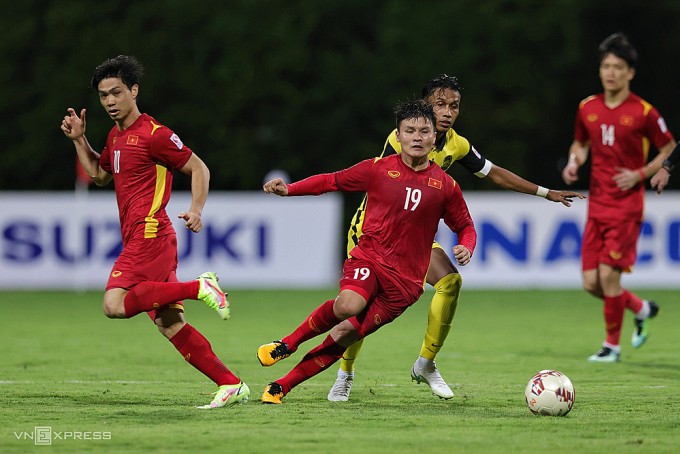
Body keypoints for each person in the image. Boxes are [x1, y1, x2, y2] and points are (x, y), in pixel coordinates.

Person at [327, 75, 585, 402]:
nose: (448, 111)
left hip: (413, 239)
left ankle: (426, 362)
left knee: (450, 281)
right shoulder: (403, 138)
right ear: (424, 108)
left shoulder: (456, 144)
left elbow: (493, 172)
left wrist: (545, 192)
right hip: (373, 234)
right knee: (361, 308)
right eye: (440, 104)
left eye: (454, 106)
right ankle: (345, 373)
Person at [256, 99, 477, 404]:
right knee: (348, 305)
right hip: (370, 259)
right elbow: (331, 181)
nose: (416, 137)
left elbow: (466, 225)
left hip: (405, 285)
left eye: (423, 131)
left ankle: (282, 386)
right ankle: (287, 344)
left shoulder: (446, 185)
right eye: (409, 131)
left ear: (433, 138)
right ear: (397, 137)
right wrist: (290, 190)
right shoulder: (377, 169)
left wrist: (466, 246)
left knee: (347, 333)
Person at [60, 55, 250, 408]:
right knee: (170, 324)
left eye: (116, 92)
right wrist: (79, 140)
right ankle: (231, 383)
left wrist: (196, 210)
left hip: (151, 234)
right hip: (142, 238)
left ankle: (200, 286)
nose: (110, 101)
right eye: (103, 96)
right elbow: (100, 176)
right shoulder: (116, 137)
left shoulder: (154, 134)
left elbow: (199, 168)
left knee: (113, 305)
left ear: (134, 90)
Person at [562, 33, 675, 362]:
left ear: (630, 73)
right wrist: (574, 161)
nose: (610, 72)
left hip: (626, 208)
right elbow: (580, 143)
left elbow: (668, 148)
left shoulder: (644, 112)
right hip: (596, 205)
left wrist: (642, 173)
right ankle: (641, 308)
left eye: (618, 67)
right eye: (606, 66)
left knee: (610, 278)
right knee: (590, 283)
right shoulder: (588, 107)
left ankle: (611, 347)